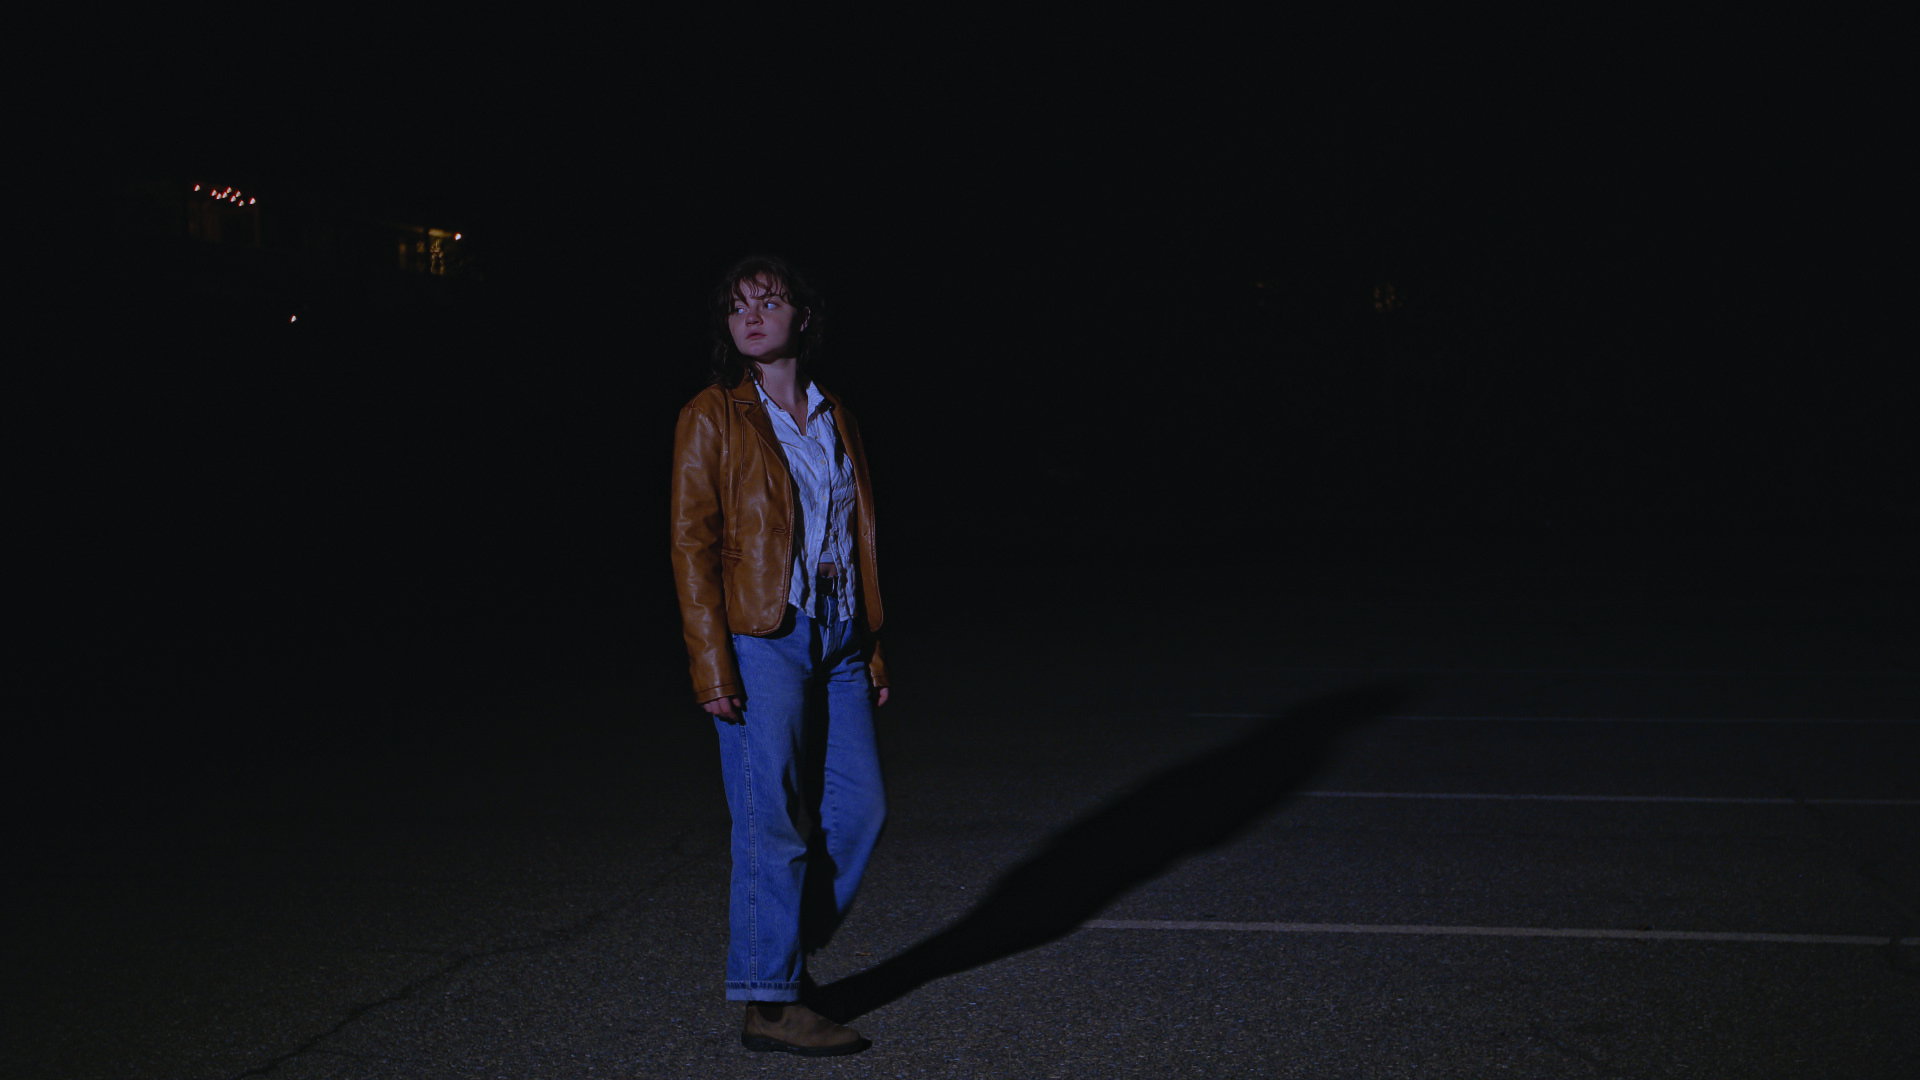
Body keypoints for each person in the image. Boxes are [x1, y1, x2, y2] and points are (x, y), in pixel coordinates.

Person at [669, 254, 890, 1056]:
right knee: (773, 825)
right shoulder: (712, 414)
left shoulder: (837, 415)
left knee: (861, 810)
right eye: (737, 307)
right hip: (763, 634)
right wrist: (711, 663)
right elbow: (691, 545)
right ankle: (769, 1002)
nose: (752, 316)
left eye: (768, 300)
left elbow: (856, 535)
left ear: (804, 315)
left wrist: (871, 646)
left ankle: (780, 947)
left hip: (839, 632)